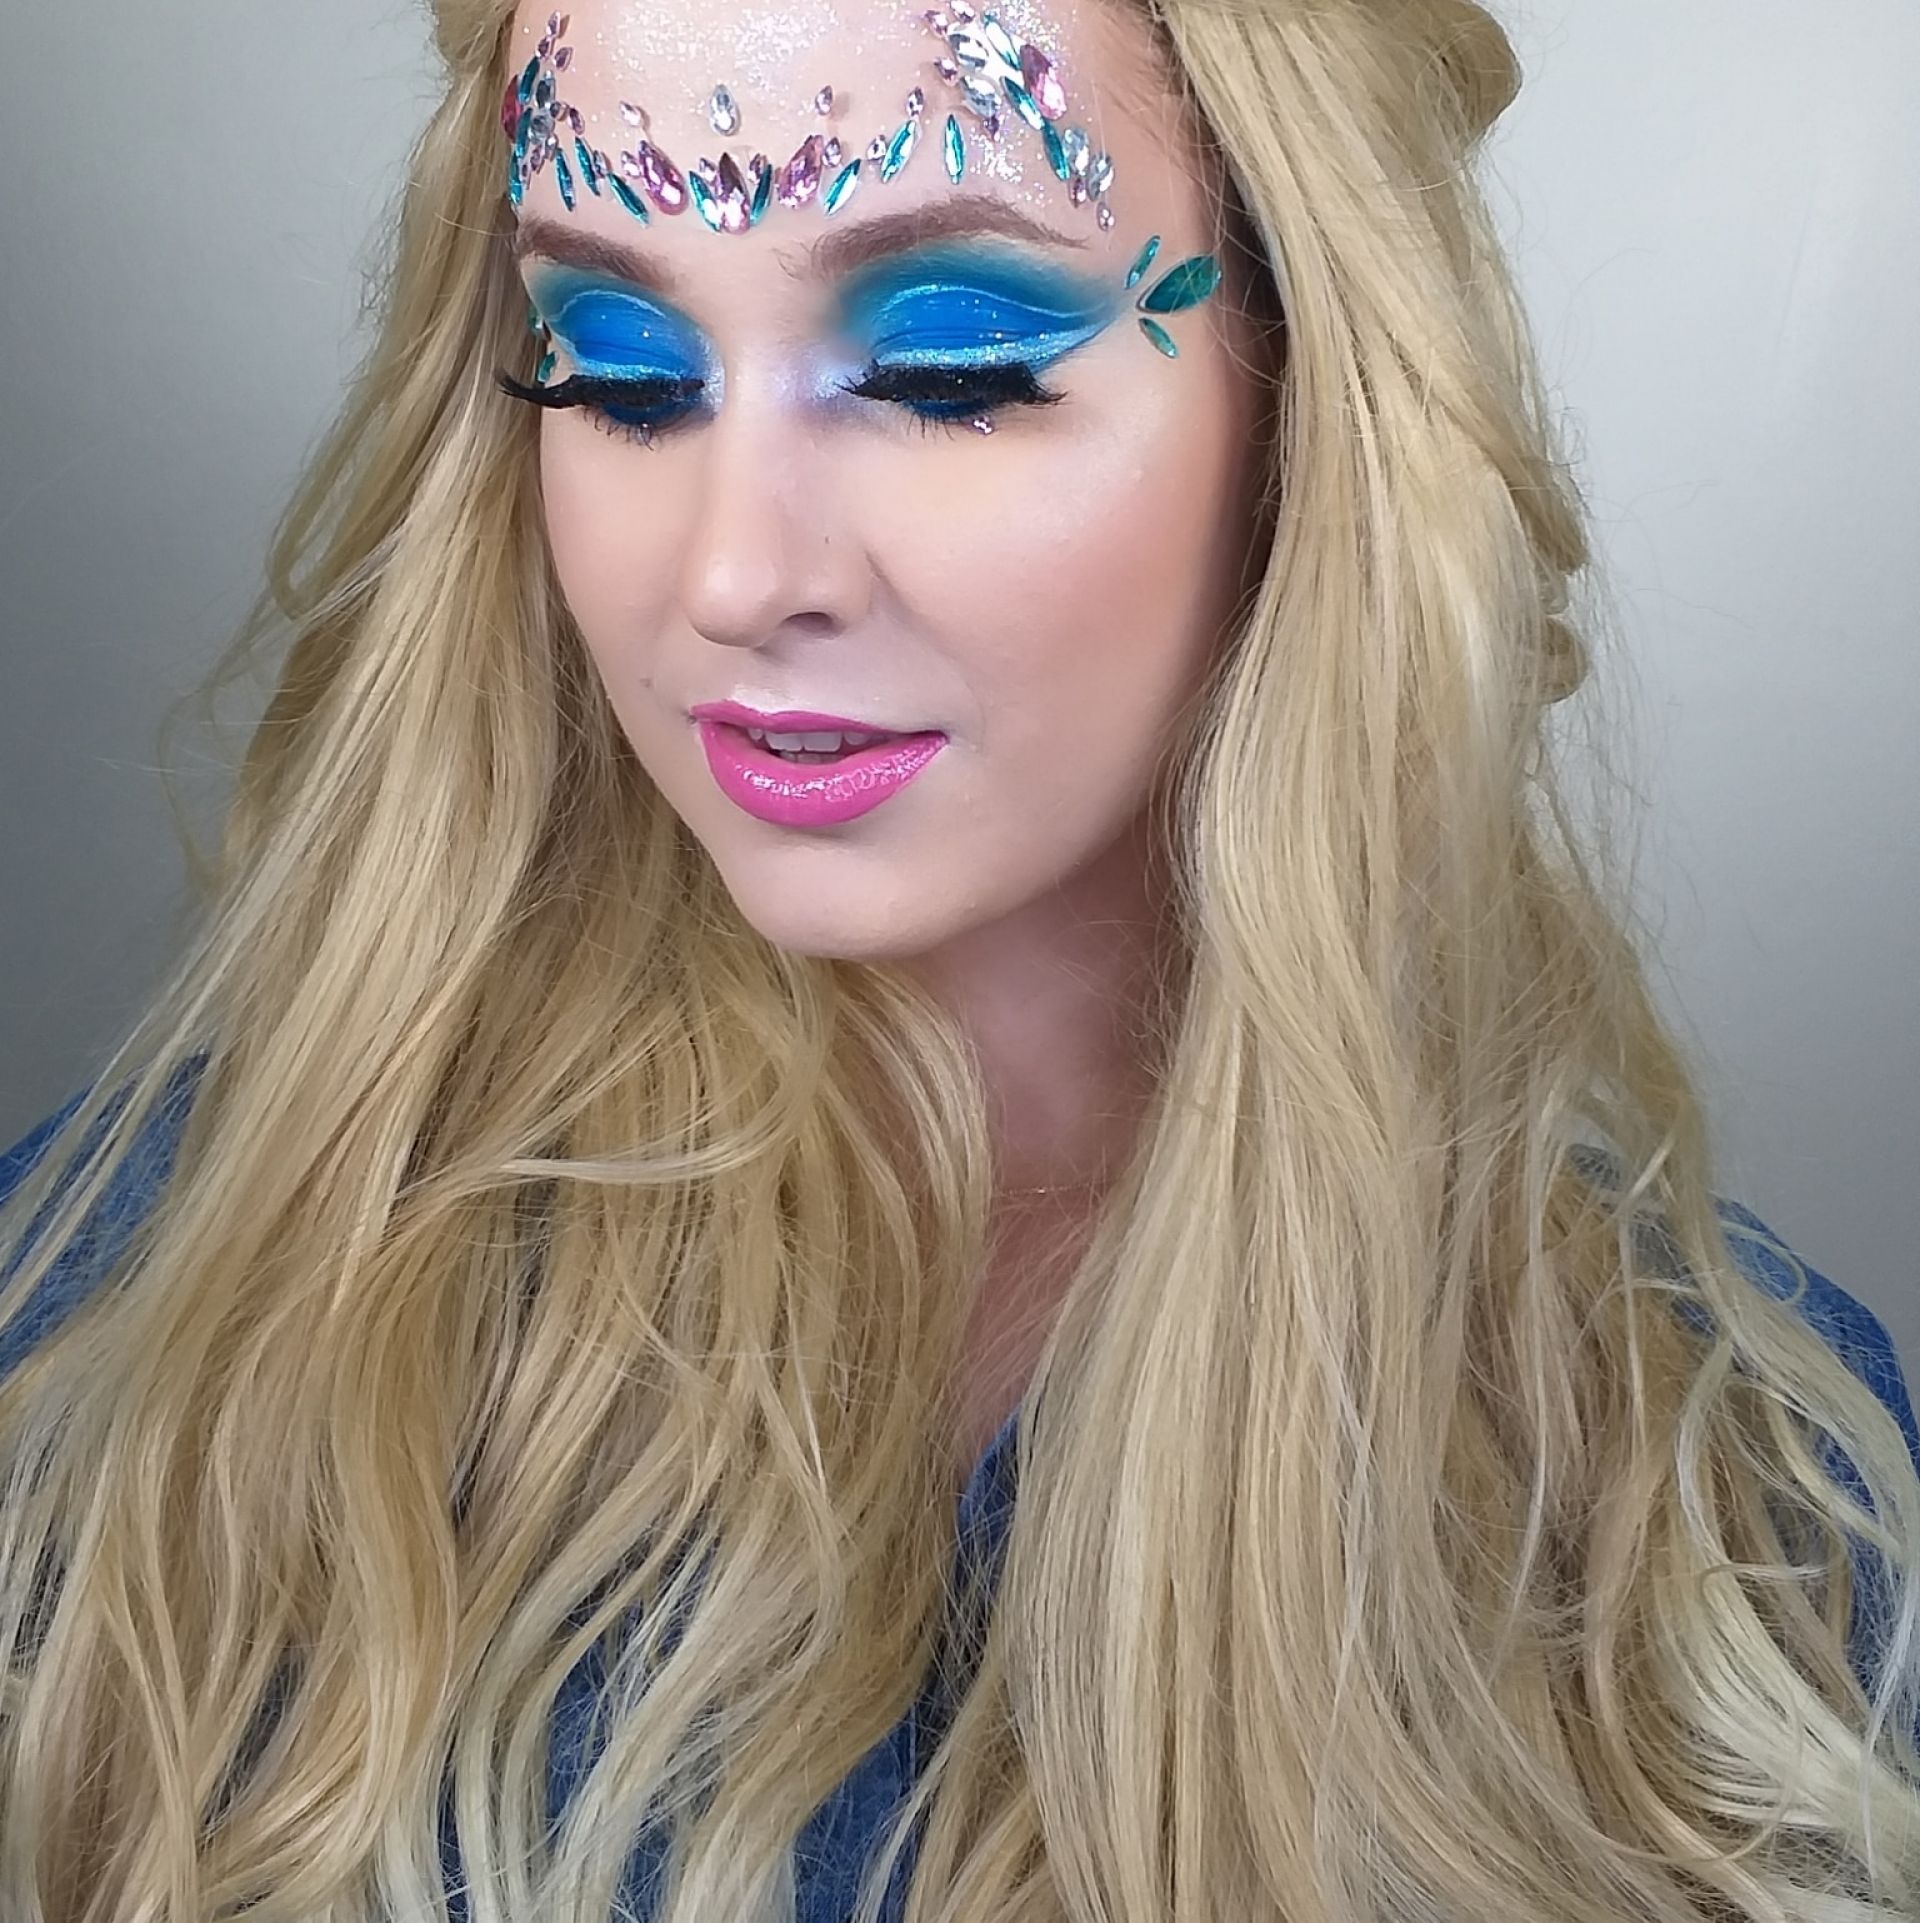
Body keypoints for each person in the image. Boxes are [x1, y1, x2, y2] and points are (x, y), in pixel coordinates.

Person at [0, 0, 1915, 1916]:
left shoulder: (1736, 1498)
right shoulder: (155, 1313)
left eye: (948, 366)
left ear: (1312, 390)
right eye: (623, 375)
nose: (737, 575)